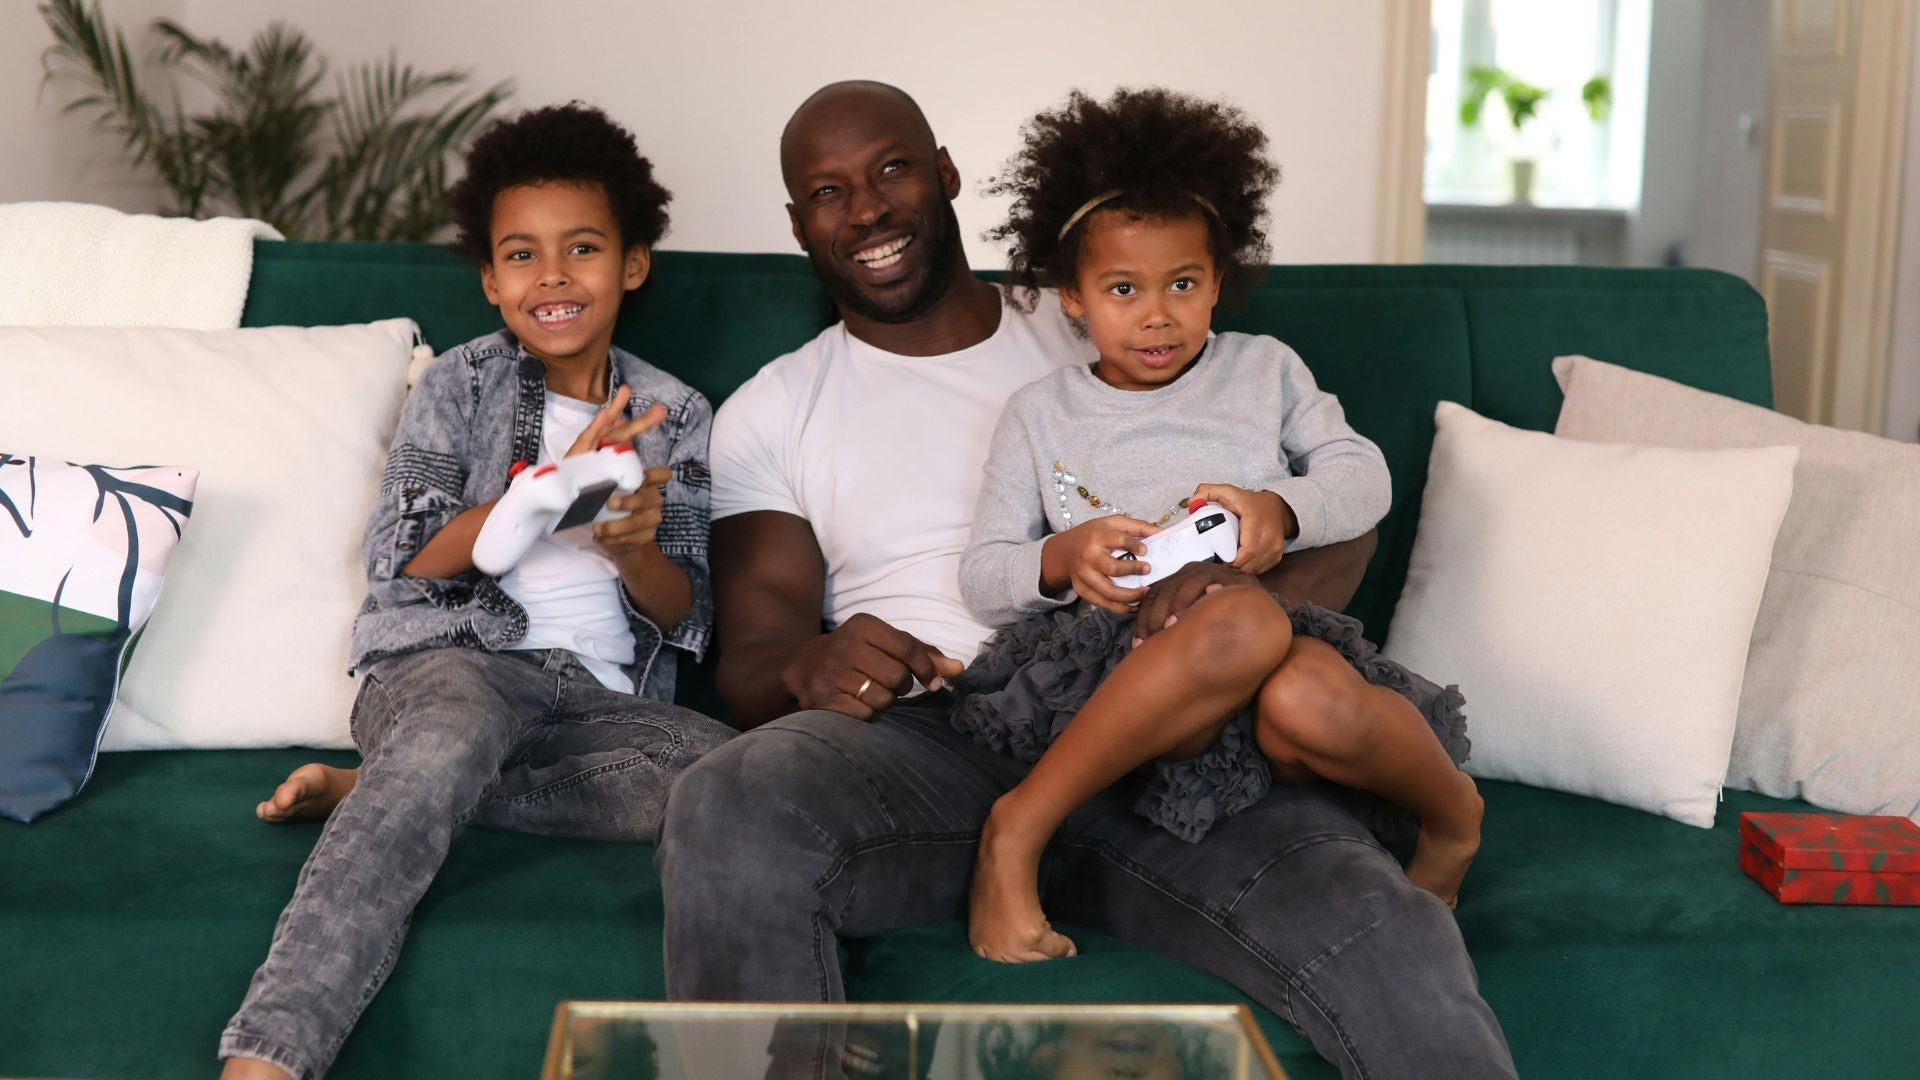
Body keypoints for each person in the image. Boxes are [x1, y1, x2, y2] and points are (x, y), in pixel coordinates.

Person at [656, 81, 1514, 1080]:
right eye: (830, 191)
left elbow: (1336, 516)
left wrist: (1222, 620)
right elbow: (752, 658)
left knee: (1386, 936)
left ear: (944, 176)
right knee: (730, 799)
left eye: (893, 170)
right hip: (941, 737)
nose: (870, 209)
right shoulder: (774, 409)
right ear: (801, 224)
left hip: (1193, 736)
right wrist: (812, 662)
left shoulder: (1126, 309)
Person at [219, 104, 735, 1080]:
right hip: (451, 665)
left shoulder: (677, 413)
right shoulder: (457, 386)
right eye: (523, 256)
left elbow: (688, 613)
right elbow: (406, 555)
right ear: (493, 280)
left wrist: (632, 549)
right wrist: (535, 497)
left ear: (631, 263)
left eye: (581, 249)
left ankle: (395, 789)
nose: (553, 277)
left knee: (730, 783)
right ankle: (269, 1055)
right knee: (450, 727)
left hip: (594, 703)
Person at [952, 87, 1481, 964]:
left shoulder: (1264, 370)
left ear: (1218, 283)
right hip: (1130, 666)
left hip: (1269, 624)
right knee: (1234, 629)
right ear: (1072, 298)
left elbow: (1365, 477)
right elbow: (983, 573)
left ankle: (1455, 816)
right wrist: (1060, 557)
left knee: (1302, 695)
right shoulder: (1038, 413)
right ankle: (1016, 831)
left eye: (1183, 284)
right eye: (1123, 288)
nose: (1156, 313)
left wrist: (1279, 510)